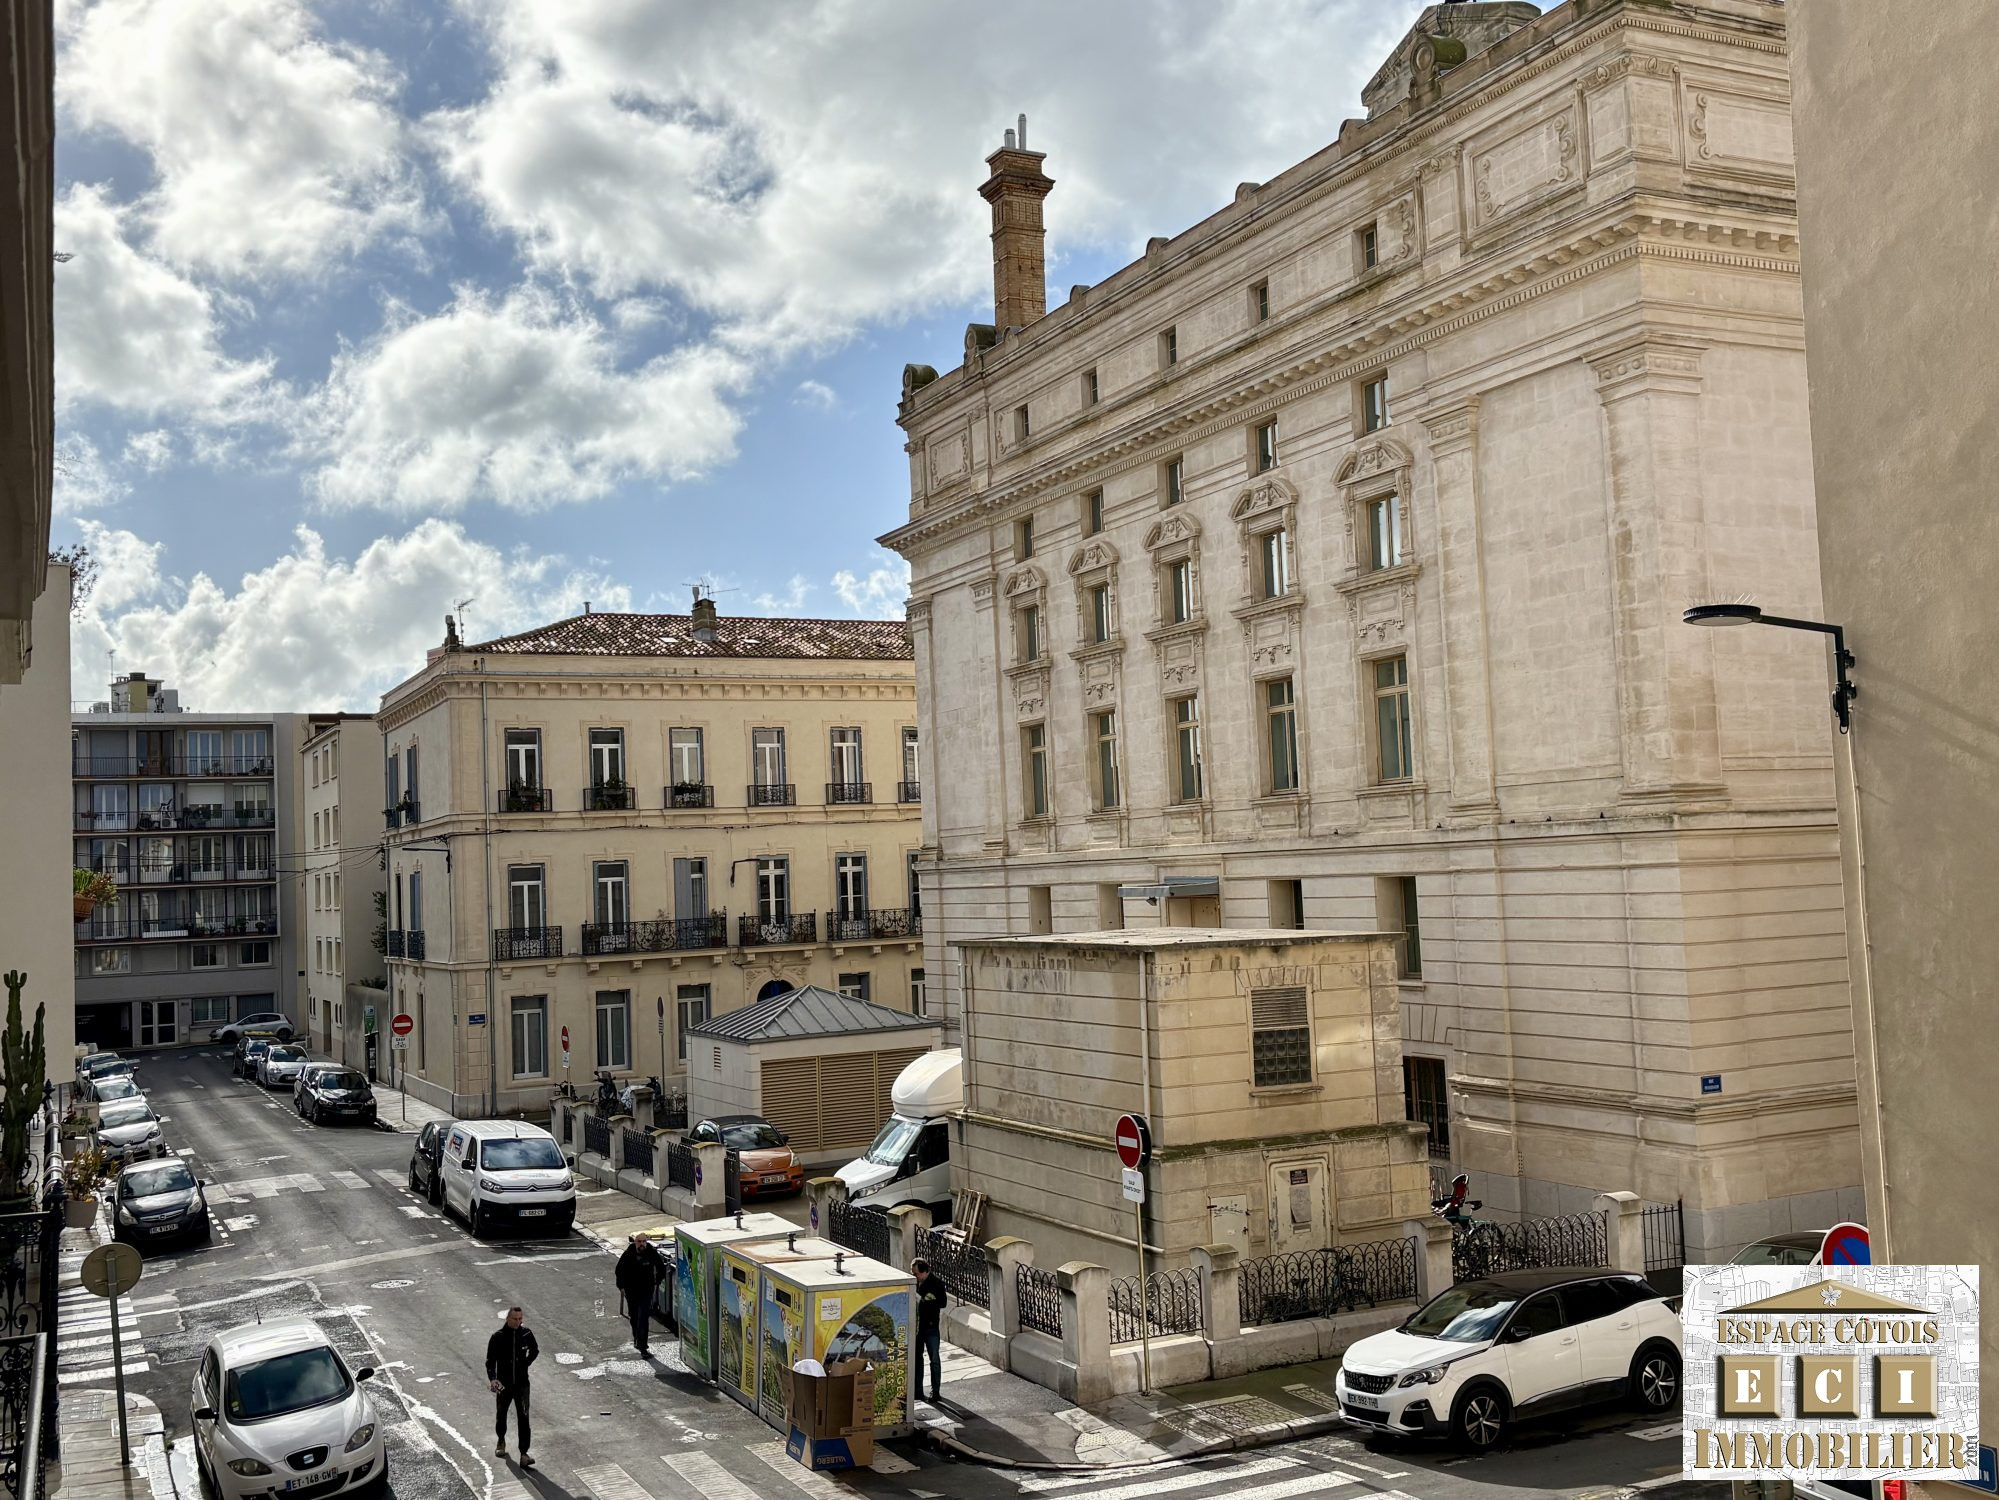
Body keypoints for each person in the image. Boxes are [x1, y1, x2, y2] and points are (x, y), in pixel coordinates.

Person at [485, 1306, 538, 1468]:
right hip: (504, 1384)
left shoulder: (526, 1334)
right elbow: (490, 1362)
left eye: (520, 1319)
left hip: (522, 1384)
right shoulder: (498, 1337)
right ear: (507, 1318)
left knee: (524, 1418)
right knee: (501, 1414)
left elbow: (535, 1350)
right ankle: (501, 1440)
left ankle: (524, 1453)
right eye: (515, 1319)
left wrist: (525, 1363)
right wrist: (493, 1379)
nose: (518, 1322)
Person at [615, 1232, 666, 1356]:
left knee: (643, 1317)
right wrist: (621, 1286)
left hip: (646, 1290)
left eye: (644, 1241)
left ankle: (643, 1346)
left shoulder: (651, 1253)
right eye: (639, 1241)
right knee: (634, 1316)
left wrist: (657, 1281)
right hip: (631, 1290)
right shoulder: (628, 1254)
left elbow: (661, 1267)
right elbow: (619, 1270)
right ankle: (637, 1339)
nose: (641, 1244)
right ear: (635, 1242)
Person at [912, 1257, 948, 1404]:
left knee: (934, 1358)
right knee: (917, 1358)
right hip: (917, 1327)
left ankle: (935, 1391)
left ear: (924, 1272)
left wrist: (925, 1302)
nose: (915, 1276)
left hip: (931, 1326)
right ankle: (918, 1391)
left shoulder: (937, 1283)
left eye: (916, 1273)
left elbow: (943, 1303)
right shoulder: (914, 1283)